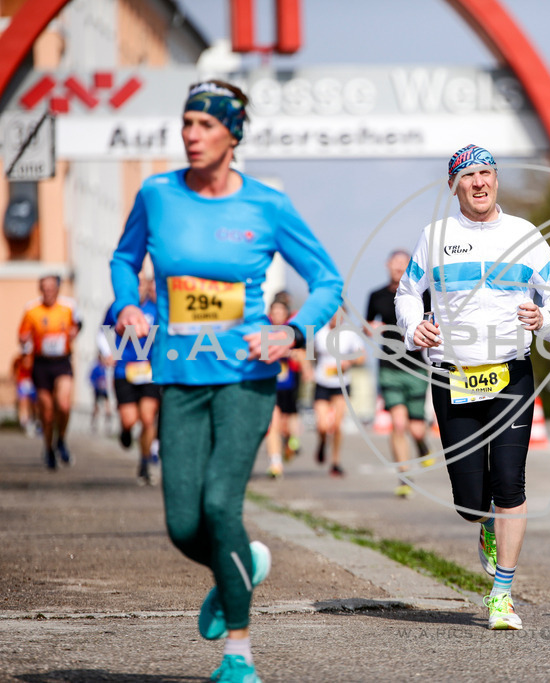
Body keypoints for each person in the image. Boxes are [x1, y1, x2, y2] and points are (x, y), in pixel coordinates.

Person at [109, 79, 342, 683]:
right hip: (180, 375)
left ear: (232, 134)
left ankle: (238, 655)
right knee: (183, 523)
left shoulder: (266, 206)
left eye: (205, 125)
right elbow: (123, 258)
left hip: (246, 375)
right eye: (186, 123)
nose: (191, 134)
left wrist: (292, 333)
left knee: (220, 503)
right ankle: (241, 566)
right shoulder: (158, 195)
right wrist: (124, 306)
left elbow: (327, 281)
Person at [395, 144, 550, 630]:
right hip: (453, 375)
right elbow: (408, 294)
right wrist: (415, 329)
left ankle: (502, 595)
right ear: (454, 185)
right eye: (468, 175)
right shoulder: (434, 237)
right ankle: (485, 526)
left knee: (510, 484)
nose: (478, 183)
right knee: (471, 503)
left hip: (511, 373)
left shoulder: (523, 233)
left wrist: (547, 318)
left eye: (486, 173)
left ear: (496, 179)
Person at [365, 249, 434, 498]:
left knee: (415, 428)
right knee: (398, 423)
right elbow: (367, 326)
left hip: (416, 365)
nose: (398, 267)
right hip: (389, 367)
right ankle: (404, 477)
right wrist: (371, 328)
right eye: (394, 263)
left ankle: (422, 444)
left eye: (403, 264)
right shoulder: (376, 296)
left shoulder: (421, 295)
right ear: (387, 265)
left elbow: (432, 320)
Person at [99, 272, 161, 485]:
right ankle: (125, 430)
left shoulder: (157, 308)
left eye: (142, 284)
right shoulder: (117, 309)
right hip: (124, 371)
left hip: (151, 372)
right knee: (130, 419)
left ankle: (144, 463)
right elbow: (103, 332)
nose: (138, 288)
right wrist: (106, 352)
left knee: (147, 417)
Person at [18, 275, 81, 469]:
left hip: (62, 361)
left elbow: (79, 324)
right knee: (46, 412)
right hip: (41, 364)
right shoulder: (31, 310)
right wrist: (25, 342)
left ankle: (61, 439)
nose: (48, 292)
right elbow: (22, 336)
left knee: (63, 405)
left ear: (58, 289)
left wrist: (74, 332)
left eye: (52, 288)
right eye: (44, 288)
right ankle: (48, 448)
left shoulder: (68, 306)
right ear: (40, 290)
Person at [312, 308, 365, 477]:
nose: (335, 318)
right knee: (322, 425)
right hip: (322, 381)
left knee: (335, 425)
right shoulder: (319, 332)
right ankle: (321, 443)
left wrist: (349, 362)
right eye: (333, 314)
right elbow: (309, 354)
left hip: (342, 384)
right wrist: (307, 369)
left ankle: (335, 461)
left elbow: (362, 357)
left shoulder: (349, 335)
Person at [264, 299, 307, 478]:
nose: (277, 315)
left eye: (280, 311)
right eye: (274, 311)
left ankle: (290, 442)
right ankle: (275, 463)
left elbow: (302, 355)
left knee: (287, 425)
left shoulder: (293, 333)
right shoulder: (264, 331)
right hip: (270, 385)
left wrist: (290, 354)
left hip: (289, 385)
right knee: (272, 423)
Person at [11, 348, 38, 437]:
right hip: (22, 382)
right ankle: (25, 423)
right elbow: (14, 370)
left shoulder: (34, 358)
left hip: (32, 382)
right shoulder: (18, 359)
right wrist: (15, 379)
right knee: (23, 402)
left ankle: (35, 422)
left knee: (34, 405)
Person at [89, 355, 114, 435]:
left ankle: (108, 425)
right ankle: (93, 423)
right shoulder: (96, 368)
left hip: (105, 391)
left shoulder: (107, 368)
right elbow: (91, 378)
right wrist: (96, 384)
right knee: (96, 408)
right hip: (97, 390)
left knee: (108, 408)